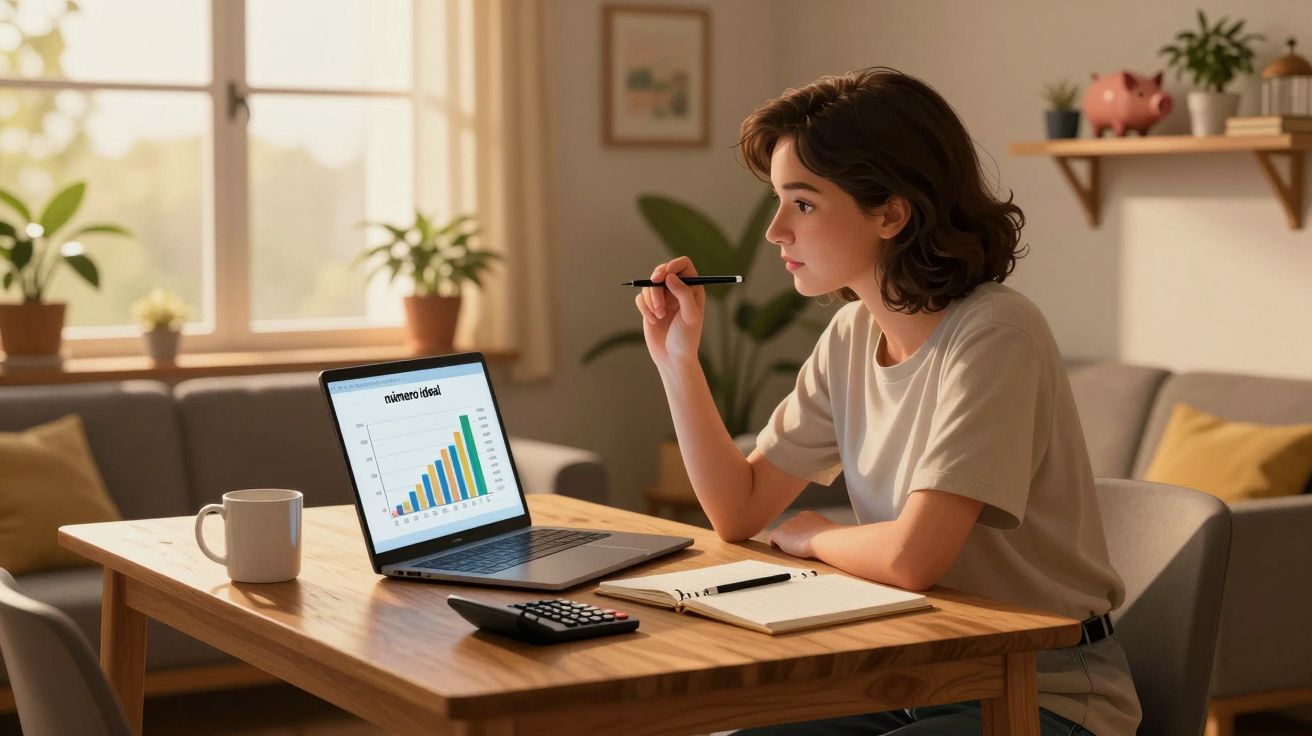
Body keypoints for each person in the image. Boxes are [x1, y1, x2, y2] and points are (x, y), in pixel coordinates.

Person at [633, 68, 1141, 735]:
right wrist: (678, 364)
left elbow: (913, 558)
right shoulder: (851, 335)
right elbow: (738, 508)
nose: (775, 231)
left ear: (891, 213)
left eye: (803, 203)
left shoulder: (996, 333)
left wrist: (819, 535)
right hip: (909, 678)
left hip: (1043, 694)